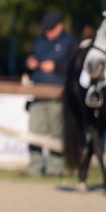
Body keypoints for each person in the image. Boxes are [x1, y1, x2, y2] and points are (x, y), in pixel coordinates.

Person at [23, 11, 77, 177]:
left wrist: (55, 67)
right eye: (46, 29)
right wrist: (29, 64)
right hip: (38, 93)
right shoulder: (39, 41)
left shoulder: (70, 43)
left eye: (51, 29)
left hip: (58, 96)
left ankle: (54, 168)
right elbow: (30, 60)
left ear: (60, 26)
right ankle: (35, 167)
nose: (47, 32)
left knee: (56, 133)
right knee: (34, 131)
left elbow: (75, 67)